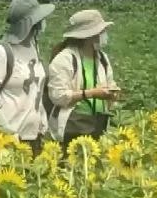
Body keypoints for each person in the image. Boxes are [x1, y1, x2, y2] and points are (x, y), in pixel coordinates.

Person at [0, 0, 54, 155]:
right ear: (32, 24)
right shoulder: (1, 52)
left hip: (33, 136)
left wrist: (43, 120)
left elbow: (36, 90)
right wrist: (7, 131)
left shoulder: (35, 49)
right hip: (5, 140)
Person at [46, 9, 120, 153]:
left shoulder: (102, 58)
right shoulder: (64, 59)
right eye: (101, 32)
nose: (103, 36)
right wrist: (91, 93)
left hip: (99, 125)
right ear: (89, 36)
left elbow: (109, 82)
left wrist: (112, 93)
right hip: (73, 127)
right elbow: (58, 96)